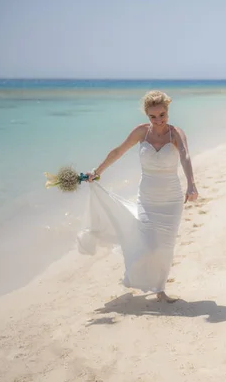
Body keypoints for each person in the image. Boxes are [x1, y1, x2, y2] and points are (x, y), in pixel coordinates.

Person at [78, 90, 198, 303]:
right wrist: (97, 172)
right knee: (150, 245)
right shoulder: (141, 132)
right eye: (153, 116)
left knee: (165, 247)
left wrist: (191, 184)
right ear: (146, 116)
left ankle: (160, 289)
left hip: (171, 200)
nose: (158, 120)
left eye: (162, 115)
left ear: (167, 112)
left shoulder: (176, 133)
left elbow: (186, 157)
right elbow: (118, 151)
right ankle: (140, 276)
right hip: (147, 198)